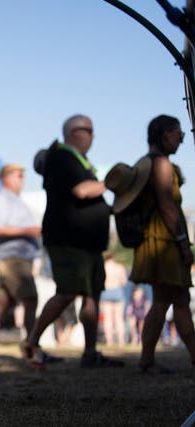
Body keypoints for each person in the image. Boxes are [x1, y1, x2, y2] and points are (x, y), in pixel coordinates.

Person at [22, 114, 123, 368]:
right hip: (68, 239)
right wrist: (112, 182)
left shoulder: (76, 160)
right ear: (75, 132)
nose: (93, 135)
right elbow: (82, 190)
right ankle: (31, 343)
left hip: (86, 241)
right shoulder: (62, 156)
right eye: (89, 130)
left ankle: (90, 352)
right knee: (68, 292)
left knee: (92, 295)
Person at [108, 114, 195, 374]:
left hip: (156, 243)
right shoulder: (161, 165)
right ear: (165, 134)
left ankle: (150, 360)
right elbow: (168, 207)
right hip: (164, 244)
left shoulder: (145, 164)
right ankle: (151, 360)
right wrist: (183, 244)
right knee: (172, 300)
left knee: (170, 300)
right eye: (178, 132)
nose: (181, 138)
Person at [0, 164, 49, 362]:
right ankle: (32, 348)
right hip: (12, 259)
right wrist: (29, 231)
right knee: (30, 299)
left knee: (3, 303)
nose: (22, 180)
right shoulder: (0, 200)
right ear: (5, 178)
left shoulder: (16, 200)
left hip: (20, 258)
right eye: (18, 176)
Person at [100, 252, 128, 346]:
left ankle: (109, 341)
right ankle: (121, 341)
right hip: (117, 291)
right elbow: (124, 282)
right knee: (119, 318)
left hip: (106, 291)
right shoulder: (119, 267)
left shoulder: (102, 267)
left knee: (107, 318)